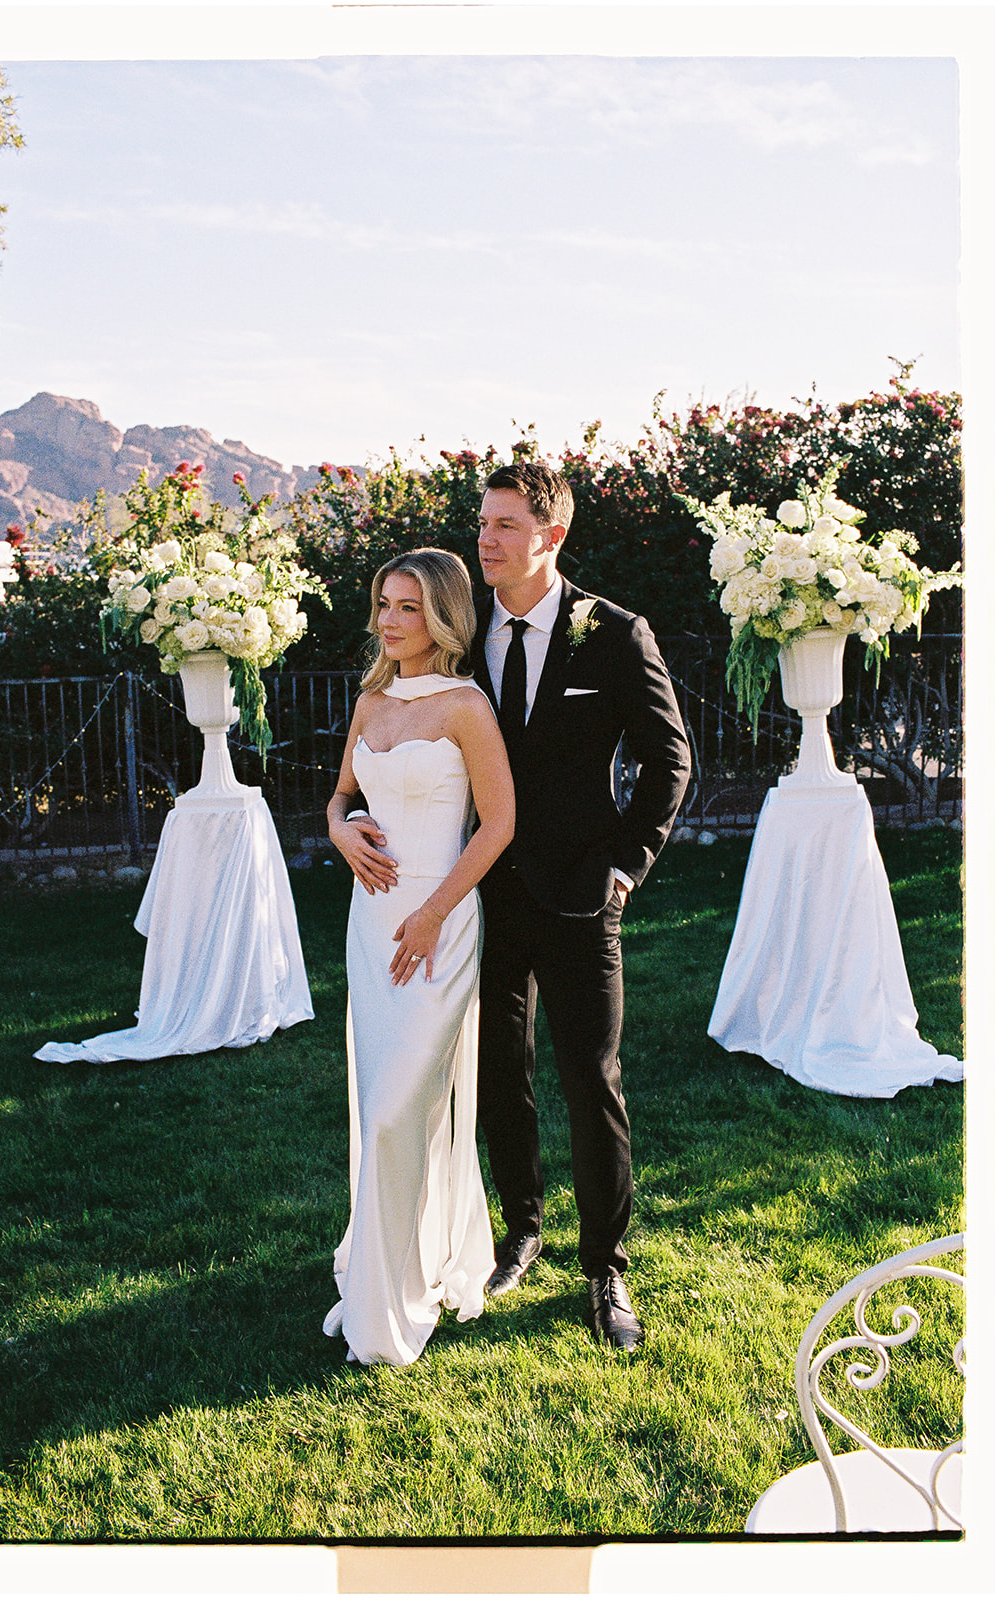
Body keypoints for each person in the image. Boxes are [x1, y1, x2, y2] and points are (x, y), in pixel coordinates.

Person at [471, 461, 691, 1351]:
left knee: (589, 1080)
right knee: (498, 1071)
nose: (486, 540)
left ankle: (604, 1268)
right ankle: (520, 1228)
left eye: (505, 526)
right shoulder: (458, 629)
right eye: (482, 523)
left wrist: (627, 866)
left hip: (579, 894)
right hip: (480, 895)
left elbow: (669, 761)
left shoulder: (615, 633)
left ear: (551, 536)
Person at [323, 548, 515, 1366]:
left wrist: (436, 913)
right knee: (379, 1109)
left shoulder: (468, 706)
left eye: (405, 608)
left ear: (441, 616)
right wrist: (337, 830)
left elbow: (500, 824)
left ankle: (407, 1285)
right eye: (383, 605)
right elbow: (340, 796)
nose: (388, 622)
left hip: (439, 922)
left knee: (408, 1106)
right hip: (371, 922)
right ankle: (379, 1276)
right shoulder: (372, 700)